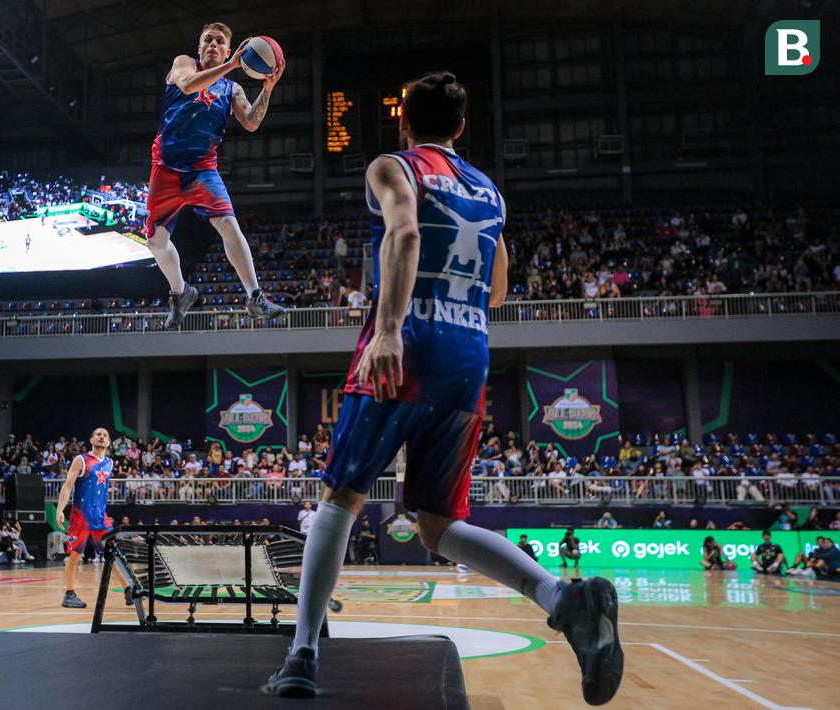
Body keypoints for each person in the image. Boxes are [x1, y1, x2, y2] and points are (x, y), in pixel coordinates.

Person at [265, 71, 621, 705]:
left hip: (410, 344)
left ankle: (302, 656)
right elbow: (499, 290)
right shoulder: (488, 190)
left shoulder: (394, 166)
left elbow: (404, 233)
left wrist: (389, 330)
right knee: (438, 524)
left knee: (340, 496)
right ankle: (562, 598)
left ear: (404, 122)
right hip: (468, 355)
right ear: (460, 127)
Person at [145, 22, 287, 328]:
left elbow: (251, 122)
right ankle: (181, 292)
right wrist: (232, 65)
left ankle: (255, 297)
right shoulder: (184, 64)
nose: (213, 45)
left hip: (202, 169)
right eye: (207, 40)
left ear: (228, 50)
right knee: (156, 243)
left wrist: (267, 89)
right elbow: (187, 86)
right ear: (199, 47)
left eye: (220, 41)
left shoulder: (232, 89)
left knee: (228, 225)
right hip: (166, 169)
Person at [54, 427, 130, 609]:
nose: (102, 437)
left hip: (100, 518)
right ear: (91, 439)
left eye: (105, 435)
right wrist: (60, 509)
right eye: (98, 434)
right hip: (80, 517)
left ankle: (128, 589)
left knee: (113, 553)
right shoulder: (81, 460)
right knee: (75, 555)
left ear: (109, 442)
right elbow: (67, 486)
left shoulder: (110, 463)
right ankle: (69, 594)